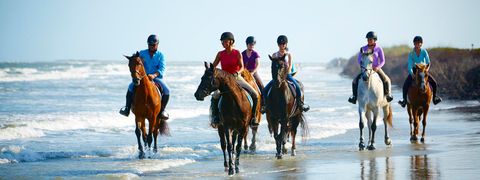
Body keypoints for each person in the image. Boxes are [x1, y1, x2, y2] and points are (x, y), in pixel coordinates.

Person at [210, 32, 260, 126]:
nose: (223, 43)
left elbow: (242, 67)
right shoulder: (220, 54)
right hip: (224, 81)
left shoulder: (237, 53)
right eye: (222, 41)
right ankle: (215, 116)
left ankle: (253, 118)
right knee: (215, 95)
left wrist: (237, 73)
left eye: (225, 41)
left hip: (236, 78)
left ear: (231, 42)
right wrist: (209, 68)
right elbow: (213, 66)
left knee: (255, 94)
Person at [119, 34, 170, 119]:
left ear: (157, 44)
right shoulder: (142, 53)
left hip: (155, 78)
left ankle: (162, 111)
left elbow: (162, 68)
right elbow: (136, 61)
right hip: (142, 78)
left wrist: (154, 75)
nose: (151, 47)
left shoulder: (161, 55)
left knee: (167, 90)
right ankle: (127, 108)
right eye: (150, 45)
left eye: (153, 45)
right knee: (130, 87)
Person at [263, 35, 310, 112]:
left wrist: (286, 73)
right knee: (265, 90)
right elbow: (273, 67)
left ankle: (300, 104)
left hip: (286, 75)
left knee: (297, 88)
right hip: (277, 77)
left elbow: (290, 65)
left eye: (284, 44)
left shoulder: (288, 55)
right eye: (281, 44)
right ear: (278, 45)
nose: (282, 45)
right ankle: (265, 105)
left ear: (286, 44)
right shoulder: (274, 55)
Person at [348, 31, 393, 104]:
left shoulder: (379, 48)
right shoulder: (363, 48)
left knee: (386, 79)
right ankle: (354, 97)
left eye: (370, 39)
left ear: (374, 40)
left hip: (375, 68)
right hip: (365, 69)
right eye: (368, 39)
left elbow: (383, 60)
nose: (369, 41)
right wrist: (363, 66)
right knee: (354, 81)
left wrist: (378, 67)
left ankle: (388, 95)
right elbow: (359, 59)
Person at [398, 36, 442, 107]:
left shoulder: (424, 52)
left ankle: (434, 99)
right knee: (405, 85)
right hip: (415, 70)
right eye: (416, 43)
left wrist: (426, 70)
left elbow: (428, 62)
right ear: (414, 44)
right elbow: (409, 65)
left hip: (424, 70)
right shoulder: (411, 54)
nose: (417, 45)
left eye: (419, 43)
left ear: (421, 44)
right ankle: (404, 101)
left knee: (434, 83)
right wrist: (412, 74)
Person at [241, 36, 265, 112]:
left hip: (253, 72)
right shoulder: (242, 54)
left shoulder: (255, 54)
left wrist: (253, 72)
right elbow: (240, 64)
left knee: (261, 86)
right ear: (247, 44)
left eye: (253, 44)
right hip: (244, 72)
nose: (252, 46)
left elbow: (257, 64)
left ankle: (264, 104)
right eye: (250, 44)